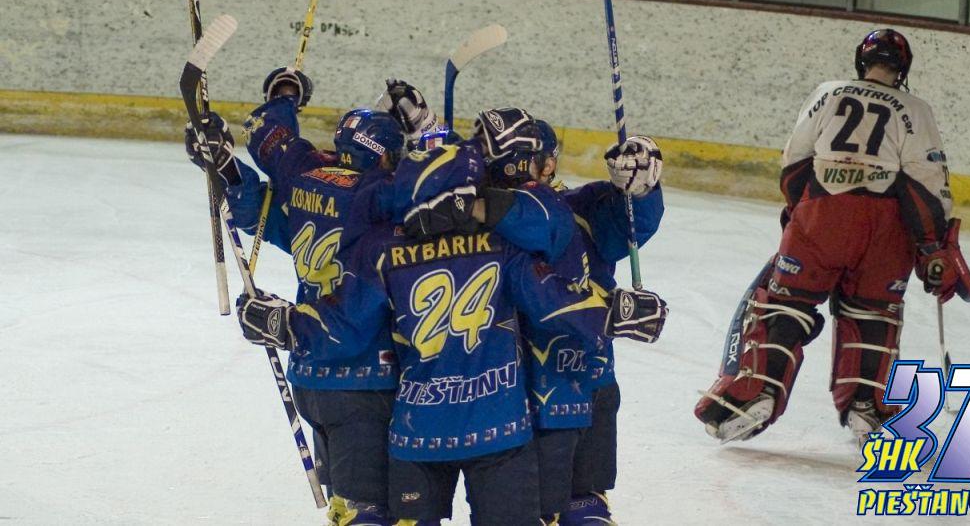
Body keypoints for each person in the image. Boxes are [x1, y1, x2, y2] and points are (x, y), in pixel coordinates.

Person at [234, 140, 668, 525]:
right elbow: (555, 303)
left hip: (417, 432)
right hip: (500, 428)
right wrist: (616, 314)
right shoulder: (503, 246)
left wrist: (282, 324)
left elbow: (343, 328)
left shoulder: (381, 249)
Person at [694, 28, 970, 444]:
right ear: (903, 69)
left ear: (861, 61)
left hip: (821, 215)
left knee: (785, 303)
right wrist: (932, 246)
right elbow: (928, 184)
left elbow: (795, 161)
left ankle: (757, 395)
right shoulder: (916, 109)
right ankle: (866, 407)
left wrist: (800, 212)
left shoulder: (828, 92)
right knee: (873, 312)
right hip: (884, 230)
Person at [406, 108, 666, 524]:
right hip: (540, 392)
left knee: (580, 505)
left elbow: (631, 224)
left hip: (561, 386)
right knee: (557, 508)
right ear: (541, 163)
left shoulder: (572, 207)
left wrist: (642, 190)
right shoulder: (517, 213)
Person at [186, 67, 405, 526]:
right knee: (372, 513)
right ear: (383, 156)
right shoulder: (378, 199)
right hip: (364, 380)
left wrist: (226, 164)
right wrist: (426, 130)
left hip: (310, 377)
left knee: (347, 506)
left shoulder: (308, 182)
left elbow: (263, 210)